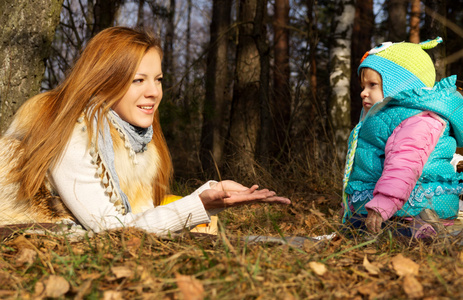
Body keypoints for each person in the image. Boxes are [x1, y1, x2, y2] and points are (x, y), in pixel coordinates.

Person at [0, 26, 290, 235]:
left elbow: (139, 217)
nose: (154, 92)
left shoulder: (137, 142)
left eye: (158, 79)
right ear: (104, 81)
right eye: (138, 80)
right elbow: (108, 227)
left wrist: (213, 192)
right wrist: (198, 204)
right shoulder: (70, 132)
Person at [341, 37, 463, 237]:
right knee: (352, 231)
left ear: (400, 85)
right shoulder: (386, 117)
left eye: (373, 85)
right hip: (393, 205)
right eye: (363, 86)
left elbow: (404, 164)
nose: (364, 93)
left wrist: (382, 204)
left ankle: (426, 232)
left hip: (414, 207)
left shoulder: (419, 120)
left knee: (382, 235)